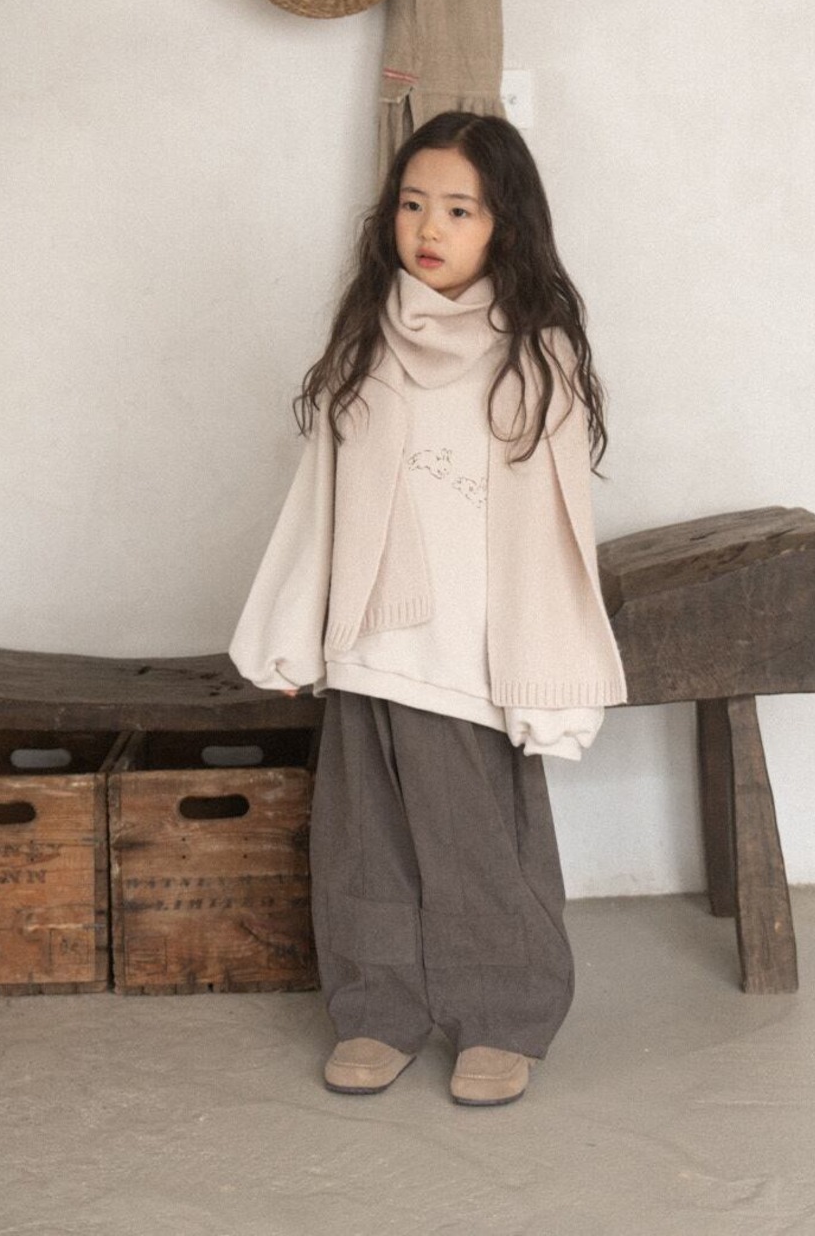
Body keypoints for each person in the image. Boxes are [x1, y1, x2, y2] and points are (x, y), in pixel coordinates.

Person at [229, 111, 628, 1106]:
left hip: (470, 655)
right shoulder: (367, 344)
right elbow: (320, 501)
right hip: (371, 642)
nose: (429, 227)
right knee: (362, 841)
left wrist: (545, 675)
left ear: (504, 226)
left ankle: (500, 1015)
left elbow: (552, 535)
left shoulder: (534, 360)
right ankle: (378, 1008)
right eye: (412, 204)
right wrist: (292, 631)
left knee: (478, 845)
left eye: (458, 209)